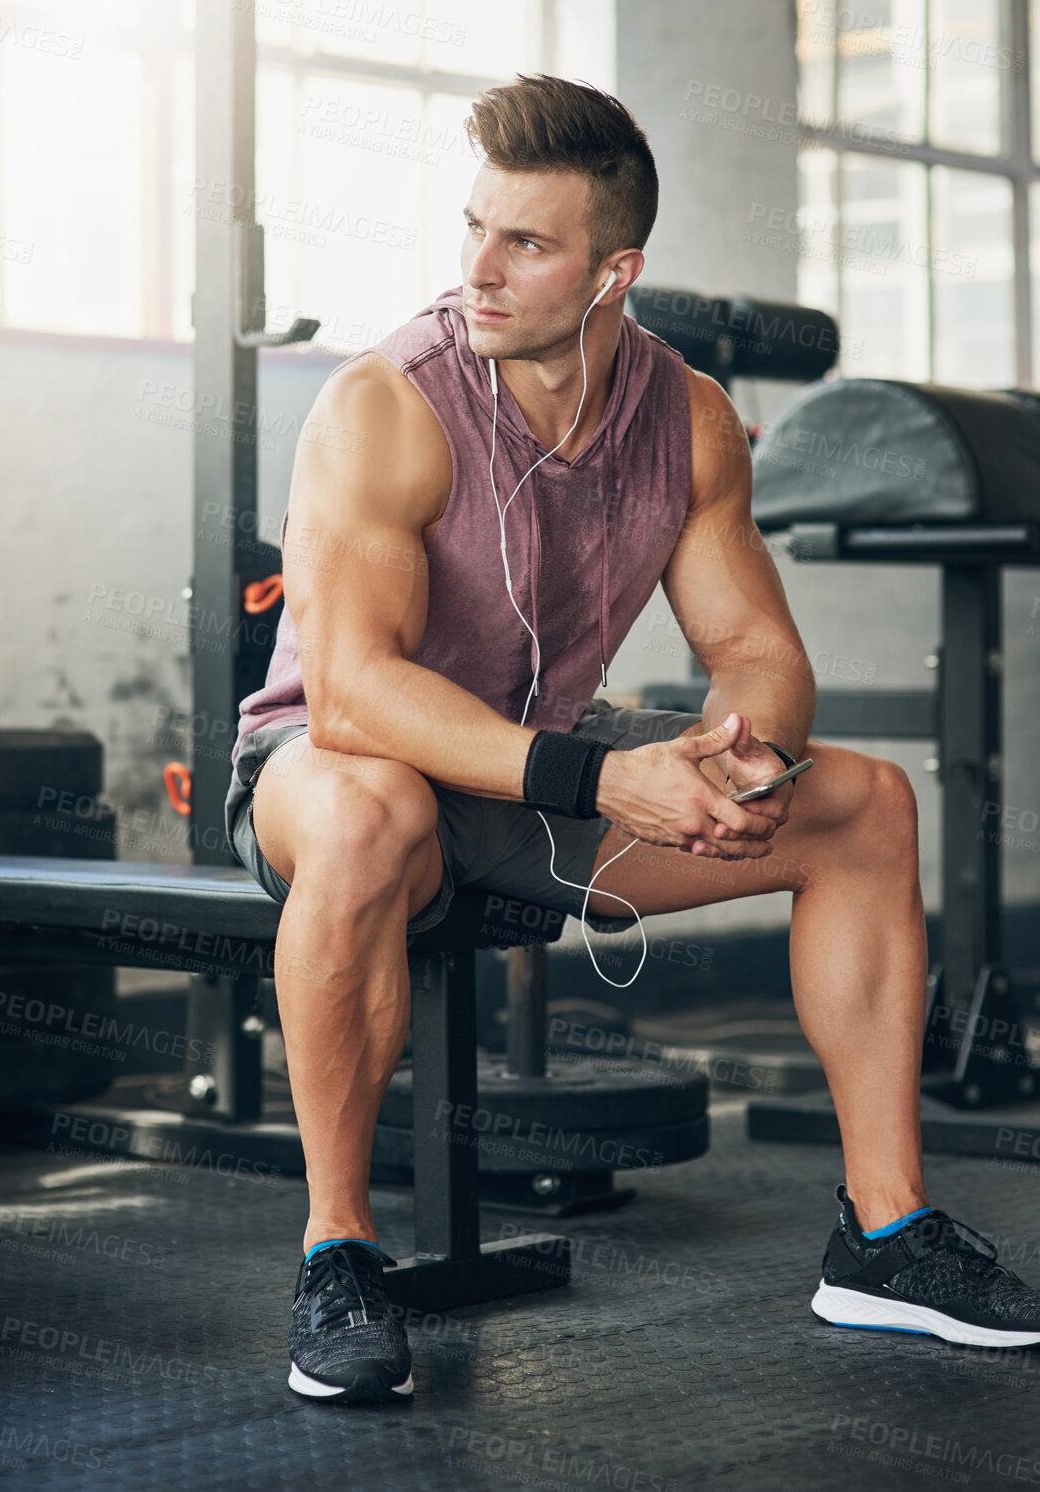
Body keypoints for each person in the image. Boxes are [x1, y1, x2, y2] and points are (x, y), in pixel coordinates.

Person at [225, 73, 1040, 1404]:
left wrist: (748, 763)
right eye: (475, 227)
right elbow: (359, 692)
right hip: (339, 770)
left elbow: (761, 655)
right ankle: (339, 1253)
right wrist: (602, 776)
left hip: (543, 762)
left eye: (525, 244)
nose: (478, 269)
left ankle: (885, 1233)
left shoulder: (690, 418)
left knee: (866, 805)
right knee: (377, 810)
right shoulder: (390, 403)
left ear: (617, 273)